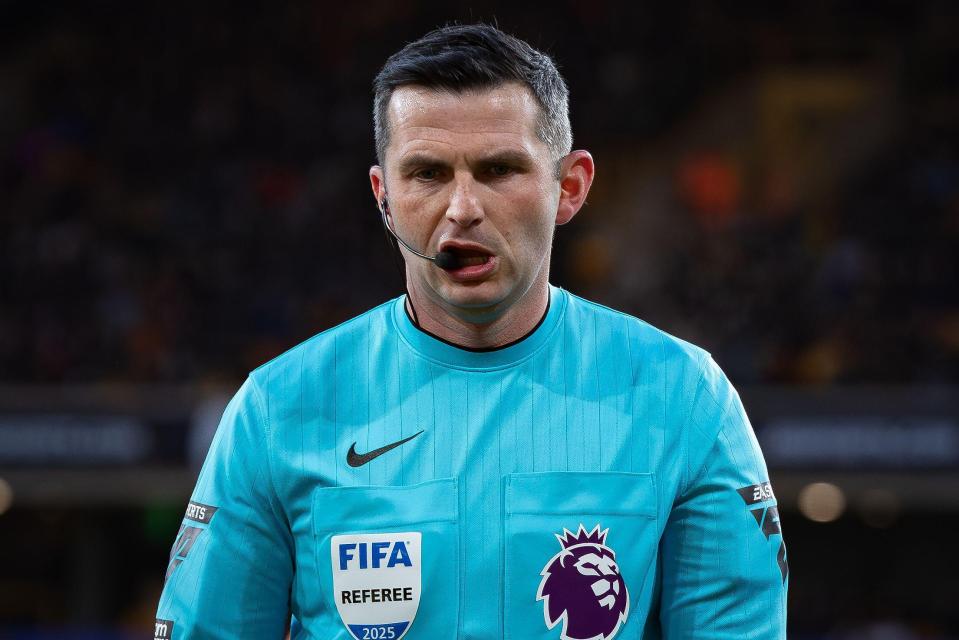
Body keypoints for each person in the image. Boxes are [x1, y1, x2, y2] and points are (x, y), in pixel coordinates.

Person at [156, 23, 787, 640]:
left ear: (569, 187)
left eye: (498, 170)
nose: (462, 208)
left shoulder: (684, 398)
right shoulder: (277, 409)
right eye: (427, 174)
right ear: (383, 196)